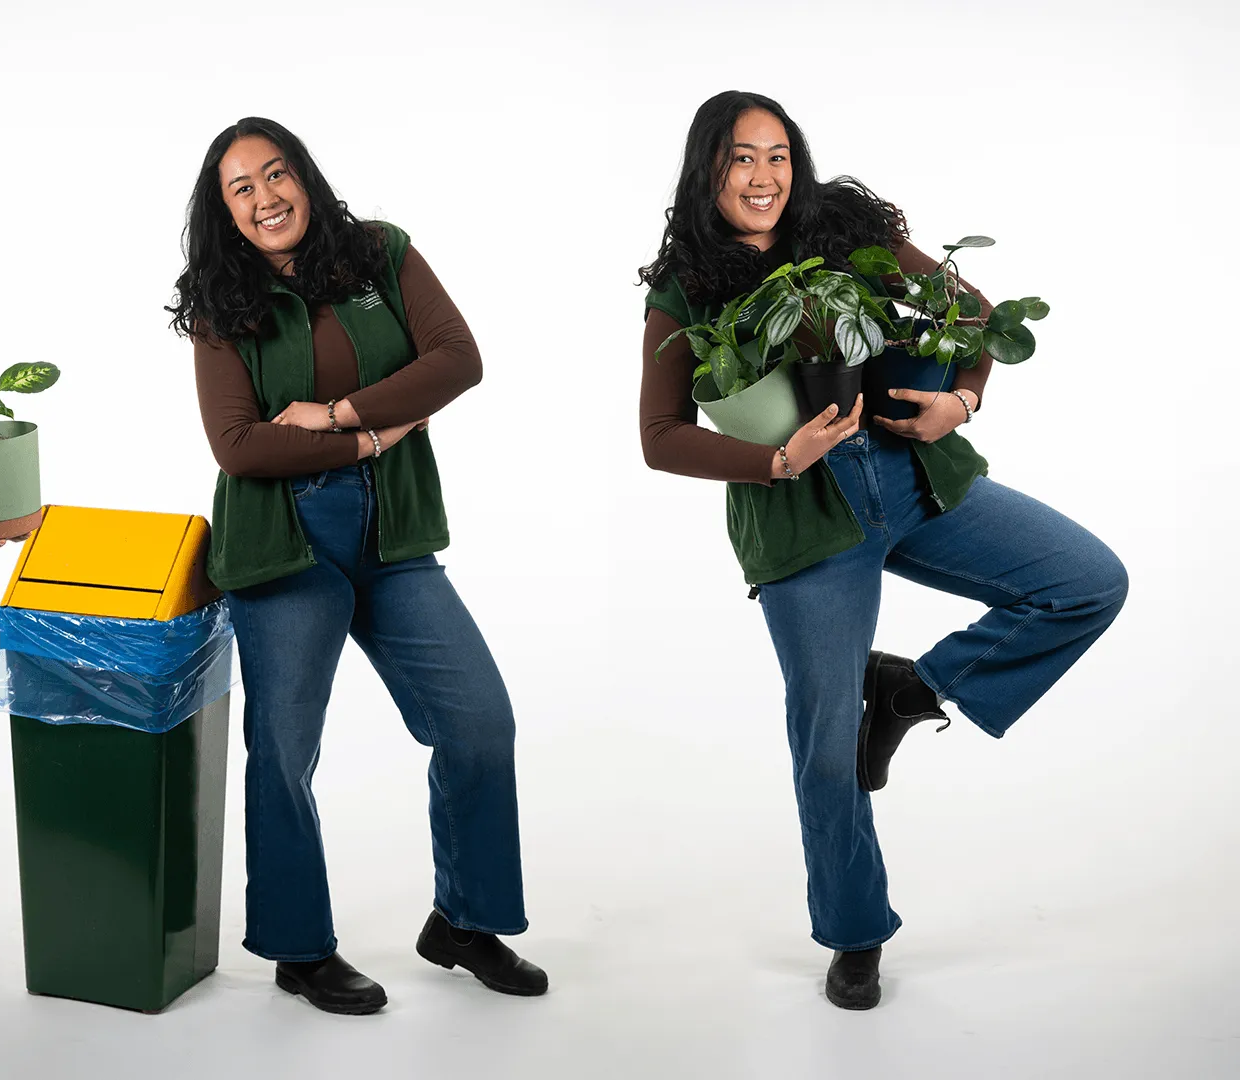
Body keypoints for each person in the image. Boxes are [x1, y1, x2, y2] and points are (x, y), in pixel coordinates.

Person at [638, 91, 1129, 1010]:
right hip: (804, 519)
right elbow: (659, 436)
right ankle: (857, 932)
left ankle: (910, 689)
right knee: (825, 744)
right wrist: (775, 457)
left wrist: (962, 400)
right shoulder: (687, 286)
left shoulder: (846, 228)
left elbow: (973, 316)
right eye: (742, 158)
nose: (764, 176)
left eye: (778, 155)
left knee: (1088, 583)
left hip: (915, 477)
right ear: (710, 168)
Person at [169, 117, 546, 1016]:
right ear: (223, 212)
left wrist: (339, 416)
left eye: (277, 173)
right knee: (286, 753)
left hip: (395, 535)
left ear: (305, 175)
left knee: (480, 724)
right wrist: (377, 433)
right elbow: (240, 448)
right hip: (280, 547)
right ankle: (300, 951)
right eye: (242, 188)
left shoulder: (380, 254)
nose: (266, 197)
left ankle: (463, 921)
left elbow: (459, 360)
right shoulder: (221, 303)